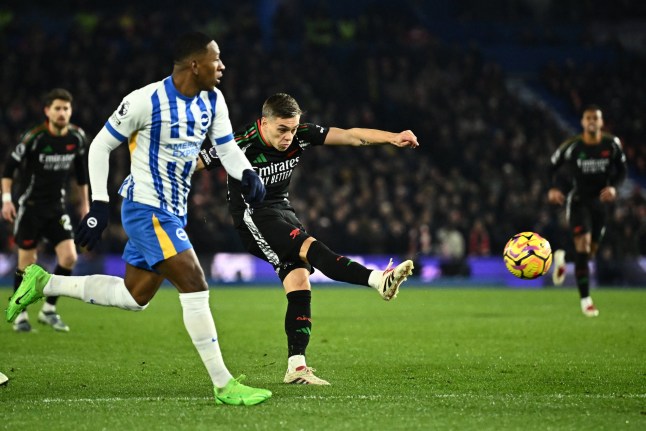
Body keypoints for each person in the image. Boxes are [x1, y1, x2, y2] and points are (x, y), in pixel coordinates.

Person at [6, 32, 271, 406]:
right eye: (216, 59)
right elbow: (100, 145)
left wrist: (246, 174)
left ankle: (43, 282)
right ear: (195, 64)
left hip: (173, 210)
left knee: (134, 297)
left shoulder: (213, 100)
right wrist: (99, 206)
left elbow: (226, 147)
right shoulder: (145, 100)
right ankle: (224, 384)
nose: (222, 66)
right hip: (146, 208)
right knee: (195, 285)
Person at [198, 93, 417, 385]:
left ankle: (296, 367)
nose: (289, 136)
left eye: (293, 129)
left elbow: (352, 136)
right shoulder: (241, 142)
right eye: (282, 130)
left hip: (282, 211)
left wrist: (393, 137)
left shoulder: (300, 134)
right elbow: (198, 161)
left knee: (299, 282)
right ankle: (378, 280)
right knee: (310, 248)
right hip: (254, 217)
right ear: (264, 123)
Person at [1, 88, 89, 333]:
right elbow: (9, 169)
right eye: (58, 108)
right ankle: (20, 313)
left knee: (69, 257)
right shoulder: (35, 137)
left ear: (71, 111)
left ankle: (49, 310)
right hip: (30, 208)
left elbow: (81, 176)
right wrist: (7, 200)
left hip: (56, 207)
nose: (62, 113)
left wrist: (85, 204)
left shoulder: (77, 138)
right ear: (47, 111)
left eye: (66, 108)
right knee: (27, 264)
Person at [547, 105, 627, 317]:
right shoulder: (572, 146)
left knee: (588, 253)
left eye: (596, 118)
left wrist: (613, 187)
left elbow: (622, 170)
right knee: (583, 247)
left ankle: (564, 259)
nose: (592, 121)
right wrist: (553, 188)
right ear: (582, 122)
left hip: (600, 204)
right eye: (588, 118)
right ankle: (586, 301)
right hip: (579, 201)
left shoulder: (612, 144)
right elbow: (551, 166)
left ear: (601, 122)